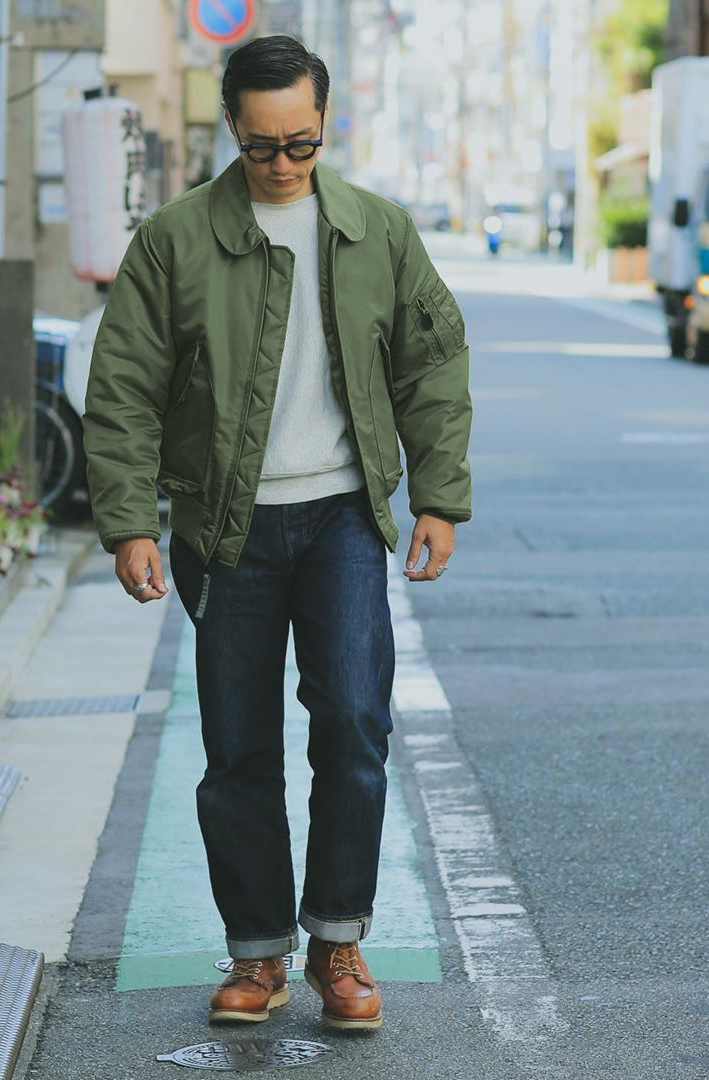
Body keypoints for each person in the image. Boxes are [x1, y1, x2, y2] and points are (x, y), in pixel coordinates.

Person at [83, 35, 472, 1031]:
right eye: (262, 146)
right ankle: (258, 953)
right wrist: (129, 522)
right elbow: (123, 386)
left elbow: (431, 362)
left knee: (353, 722)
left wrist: (438, 497)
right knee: (238, 745)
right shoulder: (174, 239)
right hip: (225, 528)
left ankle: (338, 941)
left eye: (301, 143)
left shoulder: (378, 231)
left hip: (342, 516)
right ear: (232, 128)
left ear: (324, 124)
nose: (283, 164)